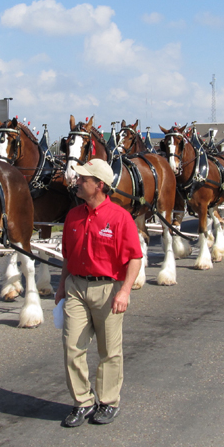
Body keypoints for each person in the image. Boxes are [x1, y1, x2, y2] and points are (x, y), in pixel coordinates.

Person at [55, 158, 143, 428]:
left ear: (99, 185)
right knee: (72, 348)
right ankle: (82, 402)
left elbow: (135, 258)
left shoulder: (120, 217)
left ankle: (108, 402)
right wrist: (61, 289)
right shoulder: (73, 215)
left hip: (108, 290)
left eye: (83, 179)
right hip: (76, 288)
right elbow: (68, 257)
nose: (77, 182)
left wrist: (125, 291)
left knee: (109, 351)